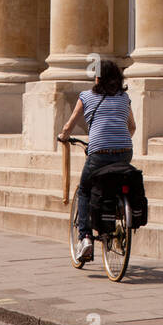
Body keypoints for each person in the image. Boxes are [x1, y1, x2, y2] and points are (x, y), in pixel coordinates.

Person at [58, 60, 136, 263]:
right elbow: (132, 127)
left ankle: (85, 238)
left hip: (99, 152)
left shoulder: (86, 96)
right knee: (116, 182)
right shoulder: (124, 97)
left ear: (98, 78)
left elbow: (70, 124)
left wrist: (64, 137)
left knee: (84, 189)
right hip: (125, 150)